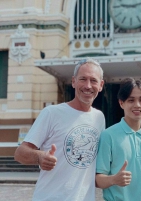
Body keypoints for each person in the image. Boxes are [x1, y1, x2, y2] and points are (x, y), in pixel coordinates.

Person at [14, 58, 105, 201]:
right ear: (74, 81)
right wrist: (39, 157)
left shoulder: (99, 118)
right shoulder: (51, 113)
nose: (88, 85)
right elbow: (19, 153)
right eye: (83, 79)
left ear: (101, 85)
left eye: (93, 80)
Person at [95, 77, 141, 201]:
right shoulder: (108, 135)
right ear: (121, 103)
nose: (137, 105)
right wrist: (114, 179)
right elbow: (98, 179)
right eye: (131, 100)